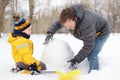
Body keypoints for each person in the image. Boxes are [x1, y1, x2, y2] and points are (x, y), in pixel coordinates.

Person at [44, 4, 110, 73]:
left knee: (92, 53)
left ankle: (94, 74)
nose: (68, 28)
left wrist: (76, 60)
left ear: (75, 19)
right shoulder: (69, 17)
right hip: (91, 32)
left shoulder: (86, 24)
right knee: (89, 49)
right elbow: (58, 24)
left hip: (101, 32)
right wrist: (50, 32)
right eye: (66, 26)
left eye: (70, 25)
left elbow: (88, 46)